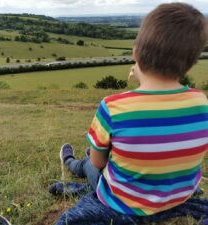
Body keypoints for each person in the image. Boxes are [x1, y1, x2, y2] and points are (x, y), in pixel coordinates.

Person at [60, 1, 208, 219]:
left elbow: (99, 164)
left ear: (135, 52)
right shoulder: (202, 103)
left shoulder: (113, 107)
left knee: (91, 162)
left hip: (124, 202)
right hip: (178, 196)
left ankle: (70, 163)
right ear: (189, 64)